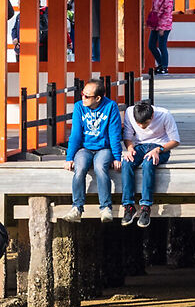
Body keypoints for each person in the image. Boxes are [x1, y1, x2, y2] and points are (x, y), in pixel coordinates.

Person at [120, 96, 179, 225]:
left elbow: (175, 141)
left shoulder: (164, 115)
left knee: (148, 163)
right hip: (139, 146)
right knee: (126, 162)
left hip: (160, 148)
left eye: (145, 124)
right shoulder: (130, 112)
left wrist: (158, 149)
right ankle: (128, 206)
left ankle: (146, 206)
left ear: (152, 116)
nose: (141, 127)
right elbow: (127, 136)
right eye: (138, 124)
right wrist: (130, 149)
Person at [66, 76, 120, 215]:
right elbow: (75, 134)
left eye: (87, 96)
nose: (83, 98)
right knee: (80, 168)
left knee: (100, 167)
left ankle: (105, 207)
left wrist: (117, 157)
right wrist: (69, 157)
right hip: (84, 148)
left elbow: (114, 134)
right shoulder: (79, 107)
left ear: (97, 98)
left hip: (104, 148)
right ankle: (77, 207)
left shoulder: (110, 106)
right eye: (82, 94)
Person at [147, 0, 175, 75]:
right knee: (151, 45)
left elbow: (167, 13)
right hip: (155, 24)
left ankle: (164, 67)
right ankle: (161, 63)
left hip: (164, 25)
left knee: (162, 46)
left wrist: (162, 28)